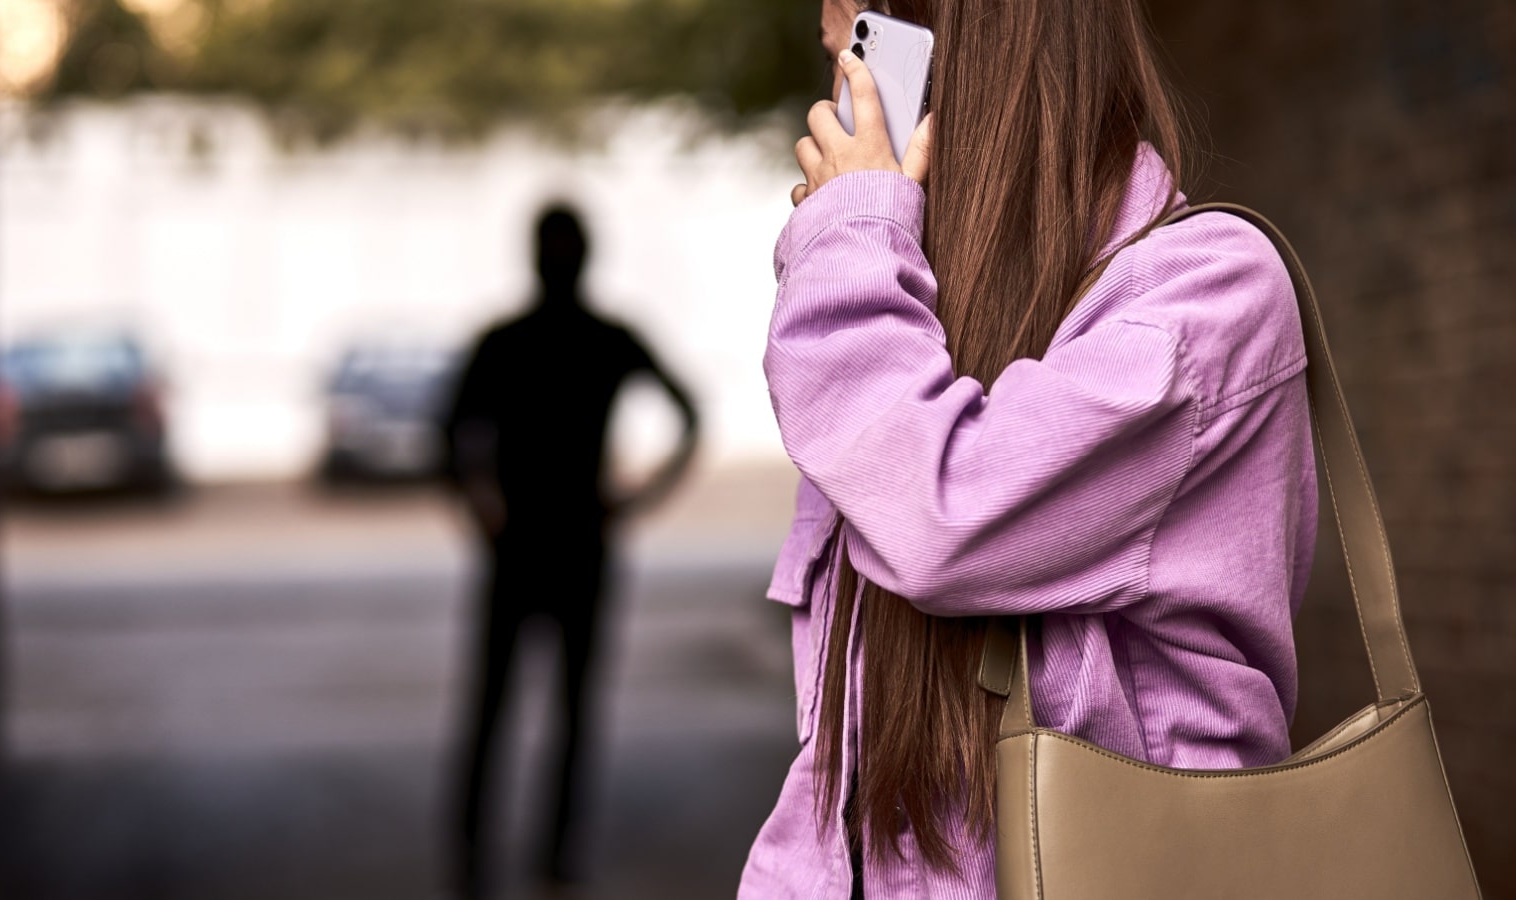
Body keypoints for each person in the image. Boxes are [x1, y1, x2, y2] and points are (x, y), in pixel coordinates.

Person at [740, 1, 1316, 897]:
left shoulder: (1210, 294)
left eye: (861, 42)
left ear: (956, 51)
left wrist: (853, 237)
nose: (840, 86)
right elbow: (836, 776)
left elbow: (943, 514)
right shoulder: (905, 342)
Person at [441, 204, 699, 896]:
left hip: (528, 546)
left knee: (503, 706)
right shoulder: (603, 339)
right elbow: (689, 414)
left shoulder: (508, 341)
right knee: (562, 710)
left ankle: (481, 857)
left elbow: (450, 434)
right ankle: (546, 857)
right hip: (574, 543)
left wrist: (482, 508)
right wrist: (635, 500)